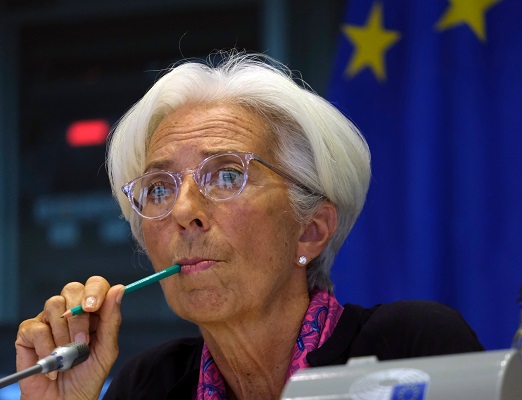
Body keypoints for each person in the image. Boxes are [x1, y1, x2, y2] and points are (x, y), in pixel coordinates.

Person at [15, 51, 484, 400]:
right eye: (159, 187)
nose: (182, 210)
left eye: (226, 176)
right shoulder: (148, 385)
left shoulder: (411, 349)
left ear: (311, 230)